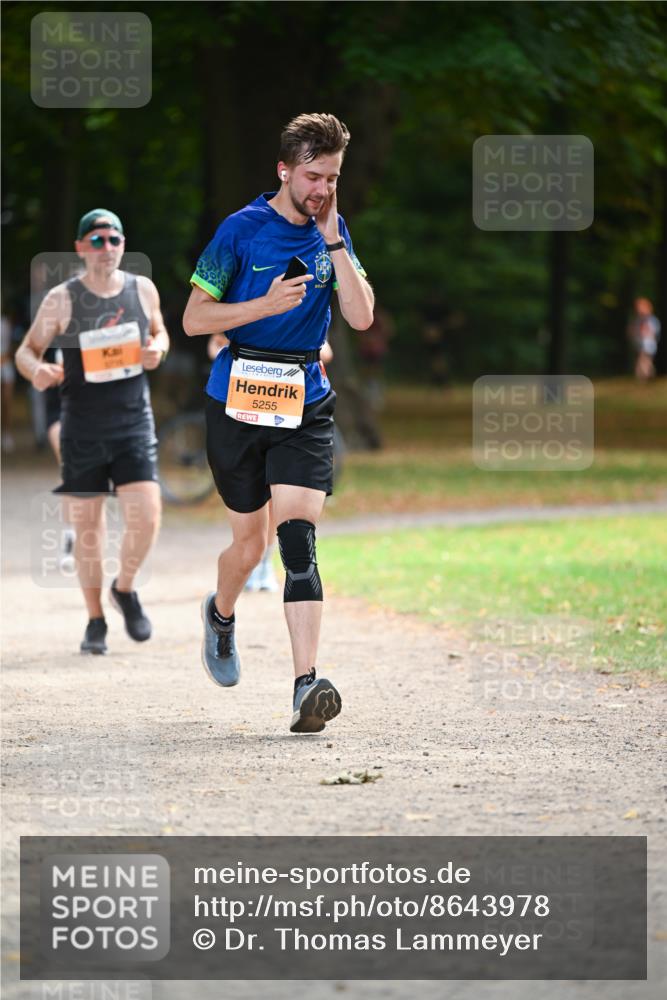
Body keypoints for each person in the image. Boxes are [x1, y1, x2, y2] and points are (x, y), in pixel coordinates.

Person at [184, 112, 374, 734]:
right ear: (285, 171)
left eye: (333, 178)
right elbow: (193, 318)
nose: (323, 189)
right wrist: (261, 306)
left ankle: (305, 686)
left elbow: (362, 317)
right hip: (237, 398)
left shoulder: (333, 233)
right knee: (250, 545)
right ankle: (221, 613)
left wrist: (336, 242)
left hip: (304, 400)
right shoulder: (240, 230)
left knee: (297, 541)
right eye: (314, 177)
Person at [15, 209, 170, 655]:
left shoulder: (142, 289)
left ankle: (124, 588)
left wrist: (158, 349)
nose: (107, 247)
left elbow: (160, 332)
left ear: (123, 245)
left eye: (114, 239)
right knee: (88, 530)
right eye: (97, 240)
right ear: (81, 248)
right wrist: (36, 370)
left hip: (133, 423)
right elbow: (26, 351)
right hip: (82, 428)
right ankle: (95, 619)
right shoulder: (61, 299)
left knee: (148, 515)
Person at [628, 297, 661, 381]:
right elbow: (632, 331)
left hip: (648, 345)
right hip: (639, 344)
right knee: (646, 361)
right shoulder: (637, 320)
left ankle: (642, 377)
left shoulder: (652, 320)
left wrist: (645, 332)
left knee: (642, 360)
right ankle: (650, 374)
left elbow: (653, 332)